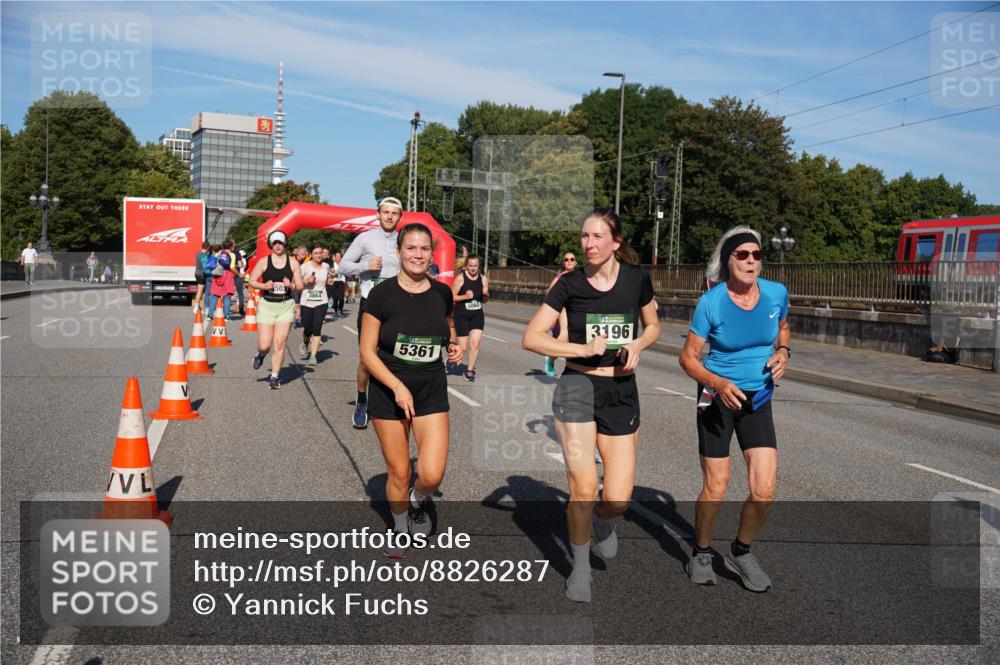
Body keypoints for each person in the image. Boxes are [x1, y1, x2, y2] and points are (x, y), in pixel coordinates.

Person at [522, 209, 659, 603]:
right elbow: (531, 338)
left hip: (621, 392)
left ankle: (603, 522)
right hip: (577, 388)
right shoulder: (569, 284)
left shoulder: (636, 280)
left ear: (616, 242)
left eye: (598, 236)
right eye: (584, 236)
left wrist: (637, 344)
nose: (589, 243)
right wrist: (579, 349)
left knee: (616, 498)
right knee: (583, 485)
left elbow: (653, 326)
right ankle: (579, 570)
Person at [678, 227, 789, 593]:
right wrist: (720, 383)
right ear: (728, 261)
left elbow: (783, 327)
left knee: (765, 489)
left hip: (758, 400)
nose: (751, 261)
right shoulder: (711, 303)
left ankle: (741, 551)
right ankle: (701, 552)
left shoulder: (776, 294)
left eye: (756, 255)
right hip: (718, 399)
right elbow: (688, 358)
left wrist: (783, 352)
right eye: (742, 255)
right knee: (717, 484)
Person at [359, 223, 463, 558]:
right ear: (399, 251)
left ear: (431, 253)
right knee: (400, 471)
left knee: (431, 474)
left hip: (431, 385)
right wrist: (396, 385)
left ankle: (419, 501)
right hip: (389, 386)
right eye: (411, 248)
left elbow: (447, 326)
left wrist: (454, 344)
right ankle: (400, 526)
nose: (417, 255)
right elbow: (366, 352)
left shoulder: (442, 293)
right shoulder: (381, 294)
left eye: (424, 249)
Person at [341, 196, 403, 429]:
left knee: (395, 355)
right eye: (385, 212)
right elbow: (343, 265)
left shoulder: (404, 240)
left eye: (393, 213)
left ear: (400, 217)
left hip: (398, 306)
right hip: (371, 304)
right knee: (368, 358)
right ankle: (362, 398)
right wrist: (364, 267)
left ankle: (390, 398)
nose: (389, 216)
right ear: (378, 214)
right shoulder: (365, 238)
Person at [248, 230, 304, 389]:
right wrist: (263, 285)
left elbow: (300, 286)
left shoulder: (293, 263)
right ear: (271, 245)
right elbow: (252, 281)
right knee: (265, 345)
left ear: (285, 244)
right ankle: (260, 355)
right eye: (275, 243)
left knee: (279, 343)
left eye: (280, 242)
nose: (278, 245)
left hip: (286, 305)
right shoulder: (264, 262)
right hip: (267, 305)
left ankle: (274, 377)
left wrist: (290, 285)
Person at [451, 254, 490, 381]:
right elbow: (451, 297)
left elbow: (484, 300)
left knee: (475, 344)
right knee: (463, 348)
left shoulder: (483, 279)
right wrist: (464, 297)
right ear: (467, 265)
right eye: (471, 266)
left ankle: (469, 371)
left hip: (477, 315)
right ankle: (452, 355)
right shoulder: (460, 278)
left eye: (475, 266)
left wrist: (486, 295)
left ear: (479, 266)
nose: (473, 268)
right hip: (461, 315)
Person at [543, 252, 577, 377]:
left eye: (572, 259)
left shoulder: (578, 277)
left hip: (573, 315)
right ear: (563, 262)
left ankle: (552, 360)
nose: (569, 261)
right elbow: (550, 295)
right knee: (563, 341)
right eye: (566, 259)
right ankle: (551, 359)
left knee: (565, 343)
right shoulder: (560, 278)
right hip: (561, 316)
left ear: (576, 262)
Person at [299, 245, 334, 366]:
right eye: (316, 253)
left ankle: (313, 356)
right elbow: (296, 283)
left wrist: (330, 280)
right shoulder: (304, 267)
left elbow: (329, 276)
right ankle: (305, 341)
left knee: (317, 327)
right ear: (311, 254)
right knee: (307, 327)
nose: (319, 255)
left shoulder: (326, 266)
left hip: (321, 301)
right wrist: (306, 281)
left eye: (320, 253)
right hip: (307, 301)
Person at [292, 245, 309, 328]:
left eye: (305, 254)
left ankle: (298, 318)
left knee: (300, 304)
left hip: (304, 286)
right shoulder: (292, 261)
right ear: (297, 253)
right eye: (302, 254)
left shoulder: (307, 262)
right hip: (294, 286)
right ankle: (297, 319)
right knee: (296, 303)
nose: (304, 256)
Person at [330, 250, 347, 318]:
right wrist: (333, 273)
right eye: (337, 256)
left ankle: (340, 310)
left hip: (341, 282)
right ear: (335, 257)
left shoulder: (343, 264)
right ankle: (336, 310)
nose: (338, 258)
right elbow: (329, 273)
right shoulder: (332, 264)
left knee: (341, 298)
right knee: (335, 298)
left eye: (340, 256)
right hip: (334, 282)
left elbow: (347, 272)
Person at [193, 242, 209, 313]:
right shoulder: (204, 256)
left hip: (197, 272)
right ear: (208, 248)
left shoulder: (198, 254)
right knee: (200, 290)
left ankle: (198, 306)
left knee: (200, 290)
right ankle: (196, 307)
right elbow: (205, 267)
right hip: (202, 274)